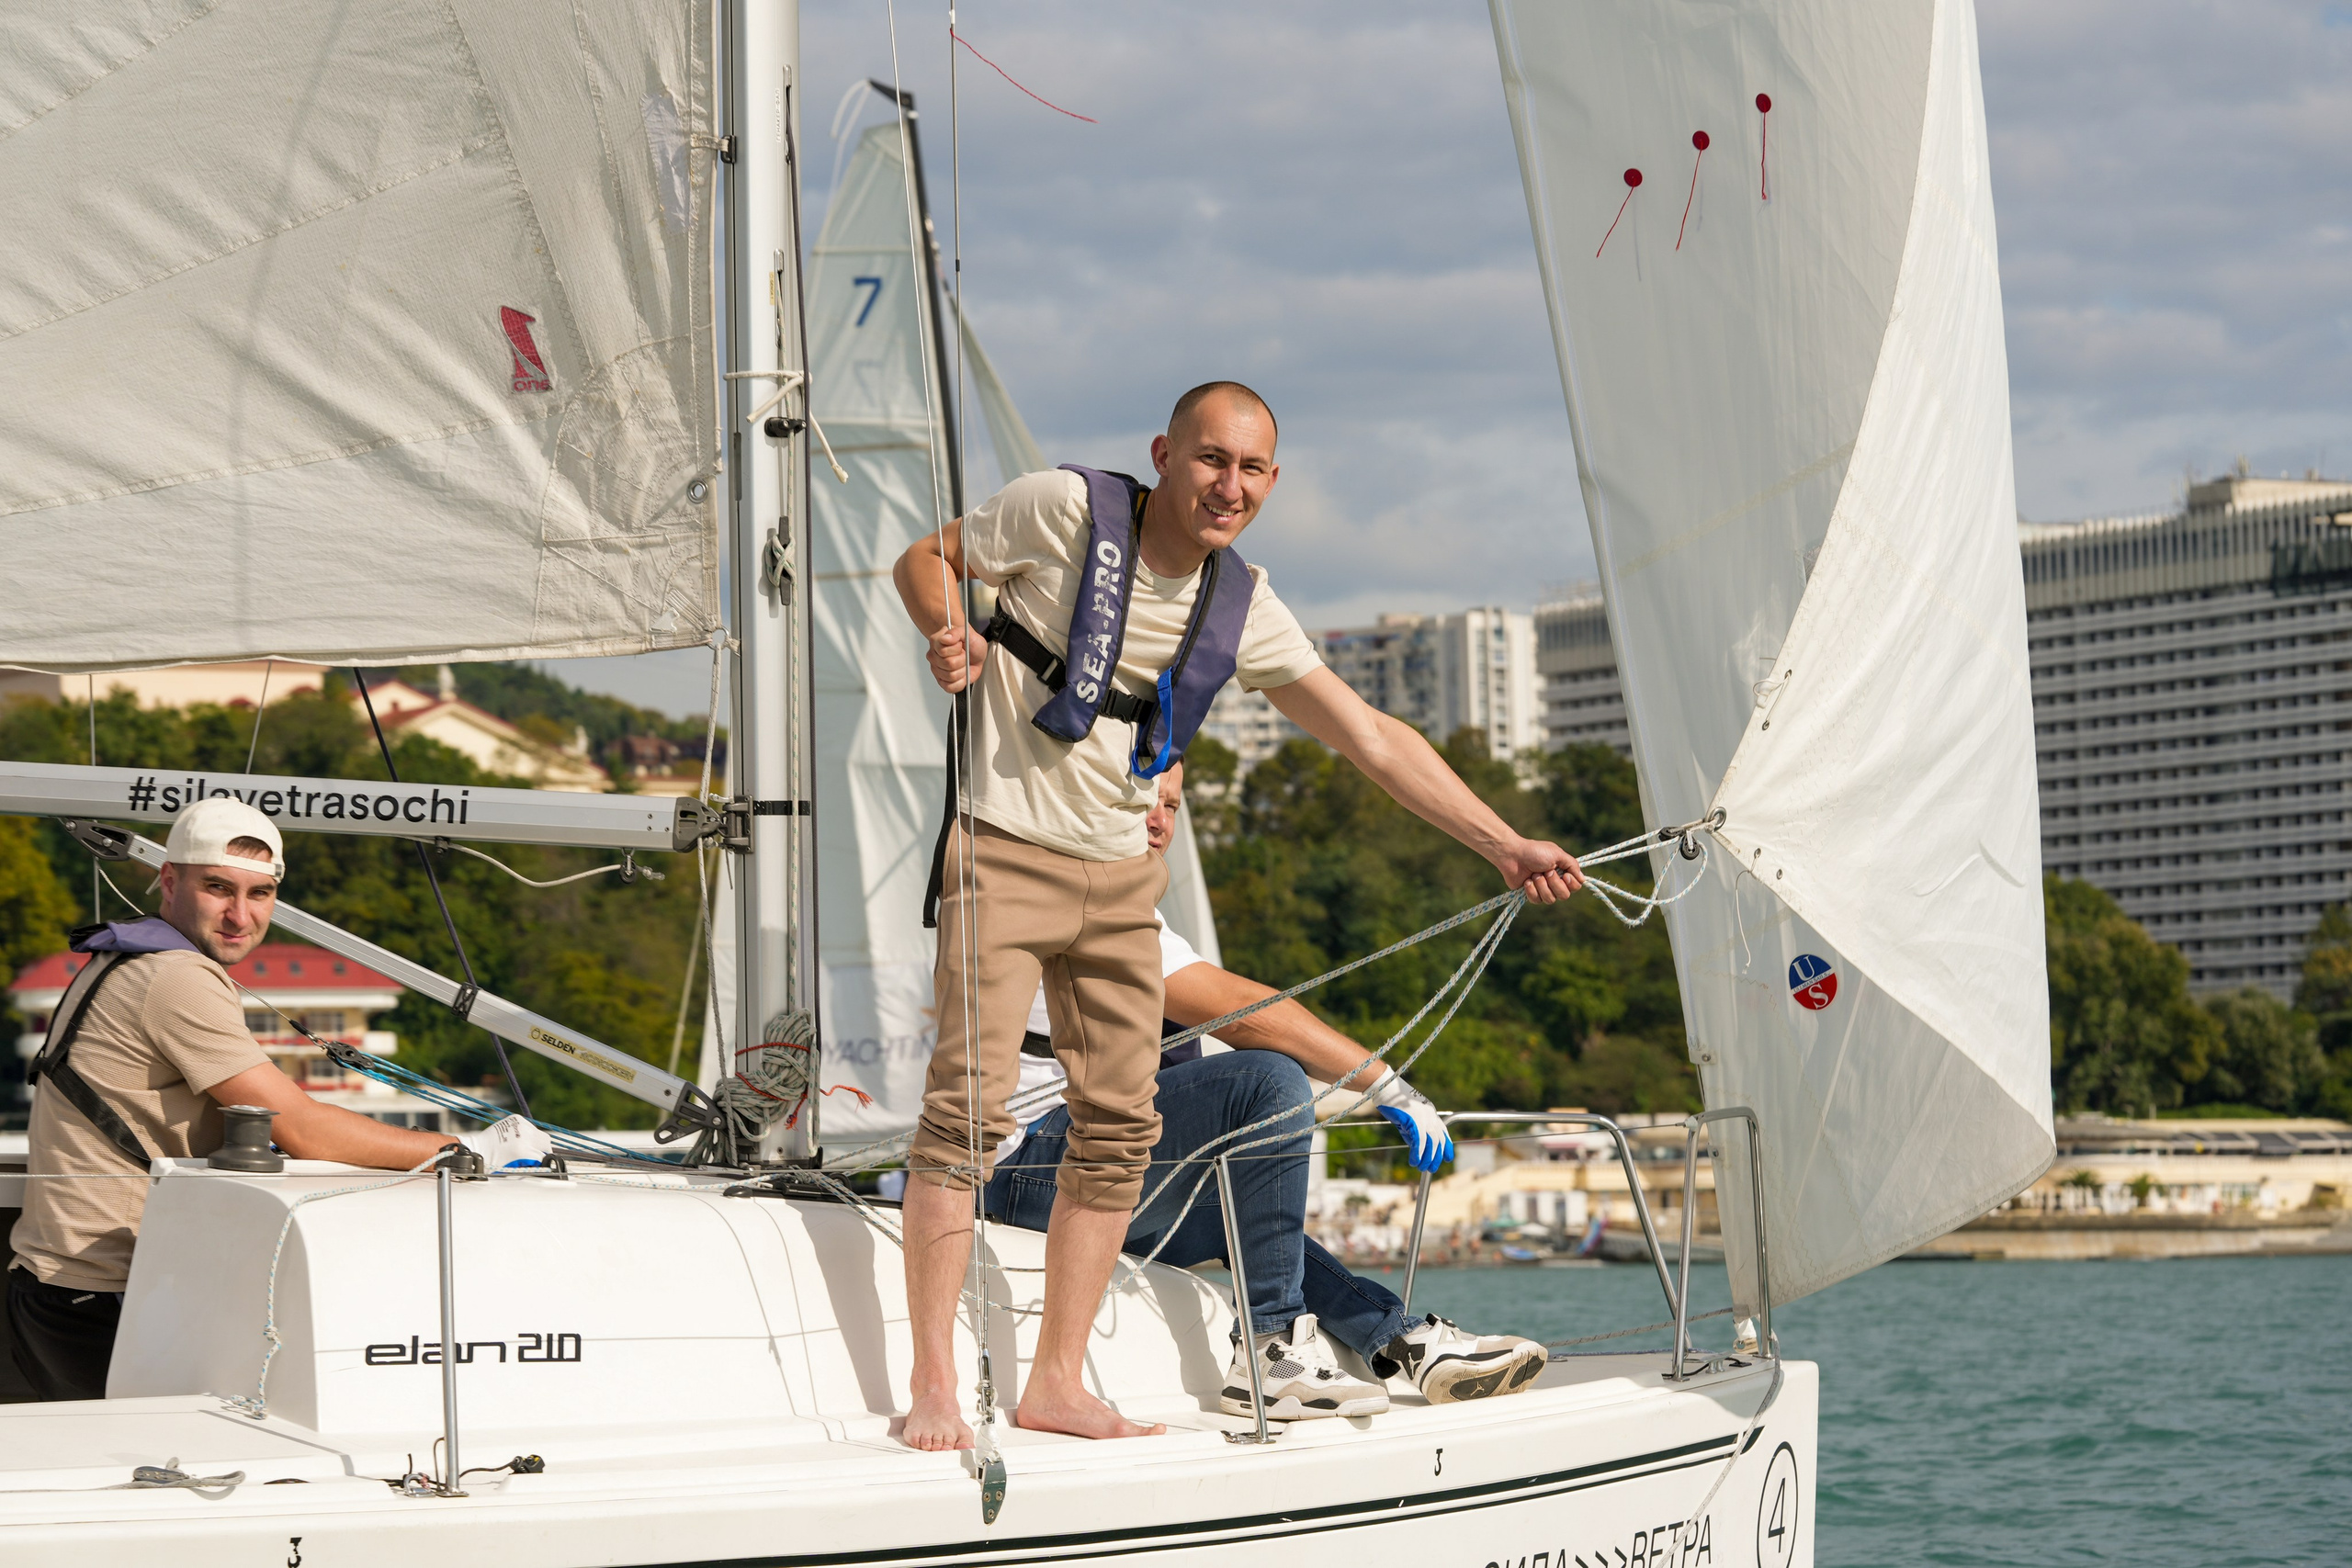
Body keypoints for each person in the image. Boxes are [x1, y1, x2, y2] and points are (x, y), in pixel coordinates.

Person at [892, 379, 1582, 1451]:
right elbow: (925, 557)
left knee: (1121, 1129)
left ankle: (1056, 1383)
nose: (1230, 486)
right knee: (965, 1118)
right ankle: (934, 1383)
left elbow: (1373, 740)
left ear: (1272, 483)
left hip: (1121, 880)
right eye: (1212, 460)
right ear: (1165, 453)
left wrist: (1503, 845)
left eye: (1253, 469)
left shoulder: (1242, 604)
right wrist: (952, 634)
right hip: (1006, 846)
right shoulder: (1062, 511)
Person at [988, 768, 1549, 1421]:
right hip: (1022, 1167)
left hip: (1083, 1167)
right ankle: (1270, 1345)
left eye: (1172, 803)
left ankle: (1401, 1341)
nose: (1159, 818)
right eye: (1144, 799)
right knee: (1268, 1078)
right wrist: (1386, 1081)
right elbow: (1243, 1011)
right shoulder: (1085, 894)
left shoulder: (1134, 908)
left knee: (1248, 1208)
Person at [6, 797, 548, 1402]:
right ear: (169, 880)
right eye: (218, 888)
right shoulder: (176, 975)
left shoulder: (120, 957)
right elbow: (303, 1129)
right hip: (102, 1297)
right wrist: (466, 1148)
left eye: (259, 893)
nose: (240, 914)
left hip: (55, 1287)